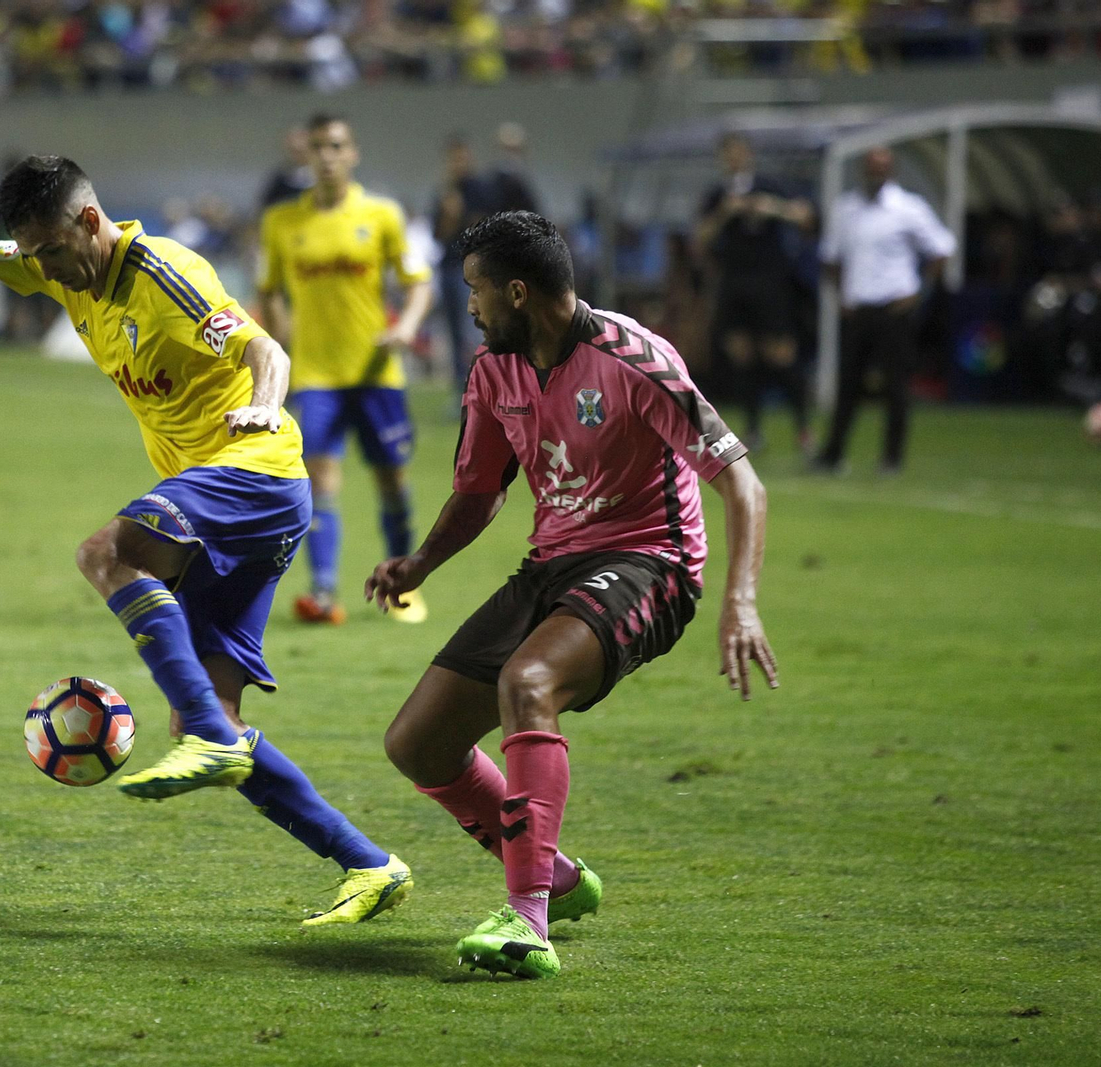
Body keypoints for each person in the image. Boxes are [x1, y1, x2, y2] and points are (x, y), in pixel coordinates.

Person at [0, 155, 413, 925]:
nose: (44, 267)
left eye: (52, 250)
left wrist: (263, 407)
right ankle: (371, 863)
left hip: (253, 468)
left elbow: (268, 350)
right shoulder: (58, 267)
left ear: (89, 222)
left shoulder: (162, 272)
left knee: (105, 553)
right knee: (202, 720)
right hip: (232, 503)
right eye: (31, 255)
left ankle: (217, 742)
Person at [366, 211, 777, 979]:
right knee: (416, 742)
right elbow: (480, 491)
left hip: (650, 561)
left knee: (530, 683)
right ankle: (552, 870)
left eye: (476, 291)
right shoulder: (496, 369)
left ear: (518, 292)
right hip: (552, 563)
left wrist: (740, 600)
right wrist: (420, 562)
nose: (471, 307)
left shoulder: (634, 359)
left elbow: (743, 485)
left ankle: (527, 920)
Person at [258, 113, 435, 625]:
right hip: (315, 377)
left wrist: (406, 328)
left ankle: (403, 585)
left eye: (337, 146)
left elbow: (418, 282)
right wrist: (280, 340)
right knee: (320, 480)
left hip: (377, 374)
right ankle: (324, 592)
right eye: (318, 147)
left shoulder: (381, 214)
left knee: (391, 481)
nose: (328, 156)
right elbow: (268, 291)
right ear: (305, 155)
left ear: (352, 153)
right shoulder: (282, 222)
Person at [816, 146, 956, 475]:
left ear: (891, 171)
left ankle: (892, 457)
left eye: (882, 167)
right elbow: (831, 257)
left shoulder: (908, 208)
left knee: (896, 386)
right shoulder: (846, 209)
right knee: (848, 385)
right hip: (858, 309)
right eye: (871, 167)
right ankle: (833, 453)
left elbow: (941, 249)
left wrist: (920, 293)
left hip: (895, 308)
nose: (876, 174)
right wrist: (841, 295)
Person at [695, 132, 815, 451]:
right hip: (734, 282)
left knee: (780, 354)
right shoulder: (718, 195)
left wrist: (772, 209)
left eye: (738, 152)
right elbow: (701, 237)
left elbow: (805, 216)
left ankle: (803, 428)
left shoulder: (769, 186)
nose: (734, 159)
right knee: (742, 354)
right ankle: (752, 430)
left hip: (770, 282)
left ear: (748, 154)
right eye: (728, 153)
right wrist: (725, 213)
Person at [431, 135, 497, 392]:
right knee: (454, 332)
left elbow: (484, 228)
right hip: (448, 267)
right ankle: (460, 388)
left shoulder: (480, 190)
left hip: (471, 270)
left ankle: (480, 385)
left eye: (461, 157)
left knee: (473, 329)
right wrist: (448, 217)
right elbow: (437, 234)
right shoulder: (444, 192)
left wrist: (460, 215)